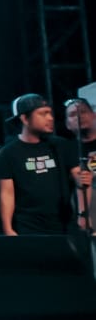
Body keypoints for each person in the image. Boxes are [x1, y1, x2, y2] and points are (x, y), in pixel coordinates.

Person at [0, 94, 82, 236]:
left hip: (64, 227)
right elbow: (7, 193)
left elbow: (78, 177)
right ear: (24, 119)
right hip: (28, 228)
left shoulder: (61, 146)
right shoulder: (8, 153)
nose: (50, 118)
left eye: (50, 113)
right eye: (43, 114)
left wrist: (82, 179)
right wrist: (8, 228)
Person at [64, 97, 96, 232]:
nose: (79, 116)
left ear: (94, 115)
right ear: (67, 124)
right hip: (85, 224)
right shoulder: (66, 150)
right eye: (73, 114)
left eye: (83, 112)